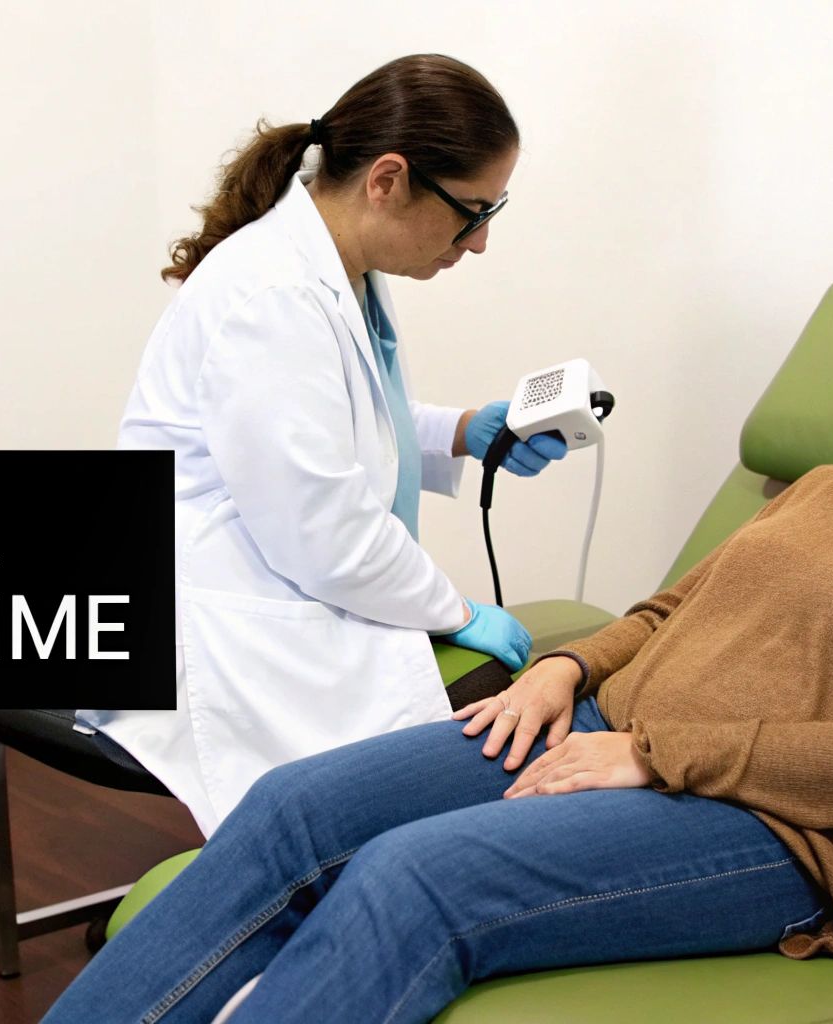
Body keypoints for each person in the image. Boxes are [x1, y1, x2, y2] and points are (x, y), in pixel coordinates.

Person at [41, 261, 833, 1024]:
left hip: (776, 832)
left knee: (408, 878)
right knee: (291, 807)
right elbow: (669, 611)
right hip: (598, 727)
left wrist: (654, 753)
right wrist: (565, 666)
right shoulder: (828, 484)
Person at [76, 55, 568, 836]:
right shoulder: (272, 297)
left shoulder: (335, 266)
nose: (477, 244)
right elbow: (325, 529)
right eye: (472, 212)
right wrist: (455, 609)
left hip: (281, 560)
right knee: (363, 807)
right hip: (211, 603)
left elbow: (344, 424)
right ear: (388, 180)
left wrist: (463, 430)